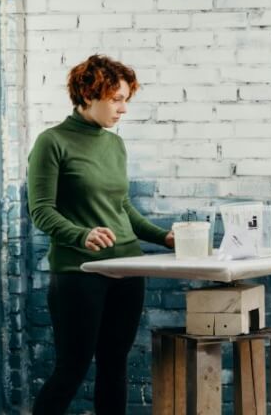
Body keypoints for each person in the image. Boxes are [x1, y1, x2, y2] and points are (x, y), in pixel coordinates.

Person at [27, 54, 174, 415]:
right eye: (116, 99)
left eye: (126, 99)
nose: (123, 109)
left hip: (127, 269)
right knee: (72, 368)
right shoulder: (52, 142)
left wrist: (164, 237)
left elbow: (122, 206)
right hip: (80, 273)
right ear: (88, 95)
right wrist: (81, 235)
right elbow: (41, 210)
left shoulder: (114, 144)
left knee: (114, 365)